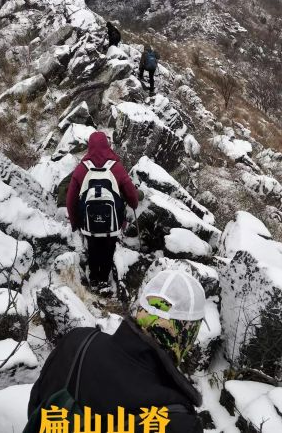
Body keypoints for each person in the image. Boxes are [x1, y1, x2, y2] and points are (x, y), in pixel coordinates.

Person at [27, 270, 206, 432]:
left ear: (140, 309)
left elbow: (36, 407)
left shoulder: (77, 342)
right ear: (187, 333)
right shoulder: (178, 421)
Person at [66, 131, 139, 293]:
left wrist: (74, 222)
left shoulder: (81, 169)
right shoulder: (116, 168)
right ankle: (104, 280)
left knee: (92, 248)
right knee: (108, 249)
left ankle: (93, 278)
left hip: (88, 223)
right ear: (107, 146)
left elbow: (70, 199)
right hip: (112, 223)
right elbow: (132, 196)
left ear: (90, 147)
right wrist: (133, 203)